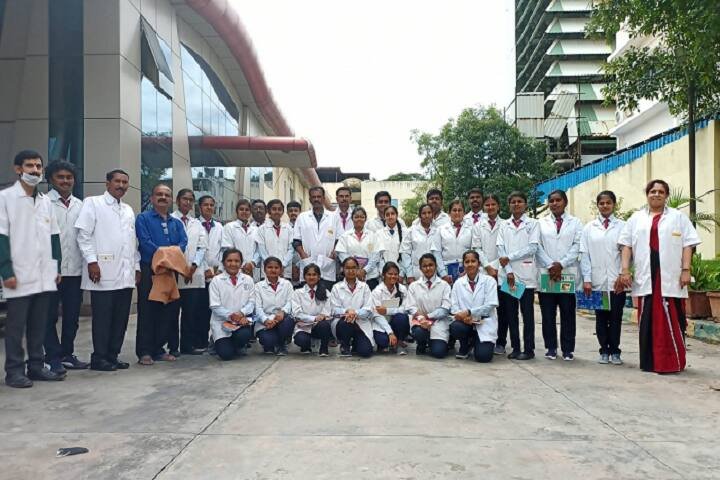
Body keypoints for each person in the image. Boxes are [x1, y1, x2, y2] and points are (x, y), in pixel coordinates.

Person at [618, 179, 700, 374]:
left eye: (661, 192)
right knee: (648, 320)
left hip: (671, 276)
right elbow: (626, 245)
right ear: (647, 194)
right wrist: (625, 270)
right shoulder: (636, 218)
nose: (656, 194)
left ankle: (672, 362)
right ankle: (650, 363)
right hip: (647, 276)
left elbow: (688, 244)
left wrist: (686, 270)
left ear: (666, 195)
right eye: (652, 191)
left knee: (673, 318)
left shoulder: (678, 217)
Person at [0, 150, 63, 387]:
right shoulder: (6, 198)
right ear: (18, 169)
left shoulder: (45, 201)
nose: (35, 170)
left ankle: (36, 366)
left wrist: (56, 267)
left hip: (44, 272)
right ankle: (14, 371)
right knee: (16, 326)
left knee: (40, 323)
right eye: (29, 166)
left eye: (38, 166)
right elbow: (1, 237)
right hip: (18, 273)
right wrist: (6, 271)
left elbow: (54, 236)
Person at [75, 169, 139, 372]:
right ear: (107, 183)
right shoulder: (93, 203)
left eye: (125, 182)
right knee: (103, 319)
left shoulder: (128, 209)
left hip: (125, 274)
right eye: (117, 181)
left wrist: (136, 267)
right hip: (102, 273)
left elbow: (132, 242)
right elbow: (83, 235)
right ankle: (99, 358)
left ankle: (112, 355)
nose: (121, 185)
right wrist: (92, 262)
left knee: (120, 319)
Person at [135, 183, 188, 365]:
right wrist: (166, 257)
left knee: (167, 312)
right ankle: (145, 351)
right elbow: (145, 242)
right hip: (151, 270)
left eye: (166, 195)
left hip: (170, 271)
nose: (163, 197)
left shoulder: (176, 223)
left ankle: (158, 349)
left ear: (171, 200)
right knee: (148, 311)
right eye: (159, 194)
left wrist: (169, 259)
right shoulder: (143, 219)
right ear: (152, 198)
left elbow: (183, 243)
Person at [44, 160, 88, 375]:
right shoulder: (43, 203)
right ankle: (52, 357)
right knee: (49, 316)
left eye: (69, 177)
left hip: (75, 271)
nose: (65, 181)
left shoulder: (81, 206)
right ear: (51, 179)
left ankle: (67, 354)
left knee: (72, 316)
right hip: (50, 271)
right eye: (60, 177)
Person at [580, 190, 627, 365]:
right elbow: (585, 255)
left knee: (616, 317)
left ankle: (615, 351)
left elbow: (627, 253)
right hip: (597, 280)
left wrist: (623, 273)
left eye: (608, 203)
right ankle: (604, 351)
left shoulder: (623, 226)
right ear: (597, 205)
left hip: (617, 281)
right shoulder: (589, 228)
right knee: (600, 318)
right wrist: (587, 279)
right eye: (602, 203)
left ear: (614, 204)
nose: (605, 206)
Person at [536, 189, 583, 361]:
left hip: (566, 274)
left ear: (565, 202)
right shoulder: (540, 223)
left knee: (567, 314)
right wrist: (551, 265)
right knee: (548, 315)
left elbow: (577, 246)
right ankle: (551, 348)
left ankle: (568, 349)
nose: (554, 203)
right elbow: (537, 246)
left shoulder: (576, 222)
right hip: (547, 274)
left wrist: (561, 264)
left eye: (558, 200)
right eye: (551, 201)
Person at [496, 191, 539, 360]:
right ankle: (515, 348)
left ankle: (528, 349)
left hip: (526, 276)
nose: (516, 204)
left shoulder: (533, 224)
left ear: (525, 204)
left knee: (527, 315)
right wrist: (509, 271)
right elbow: (500, 249)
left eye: (519, 201)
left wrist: (510, 257)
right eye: (513, 202)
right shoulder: (504, 225)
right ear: (509, 205)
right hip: (509, 277)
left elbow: (532, 248)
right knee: (511, 315)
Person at [171, 189, 208, 356]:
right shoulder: (171, 219)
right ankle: (173, 347)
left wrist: (193, 267)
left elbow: (202, 247)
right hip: (174, 274)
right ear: (177, 200)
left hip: (193, 275)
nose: (187, 202)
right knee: (172, 314)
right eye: (184, 199)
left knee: (190, 313)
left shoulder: (197, 224)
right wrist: (181, 268)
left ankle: (188, 345)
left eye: (190, 200)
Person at [449, 250, 499, 362]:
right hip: (465, 323)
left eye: (473, 261)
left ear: (479, 264)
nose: (470, 264)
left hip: (484, 324)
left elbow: (491, 305)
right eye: (467, 262)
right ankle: (465, 345)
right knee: (455, 327)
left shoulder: (489, 281)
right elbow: (454, 307)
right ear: (463, 265)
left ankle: (476, 341)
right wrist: (463, 317)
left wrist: (469, 312)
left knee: (483, 357)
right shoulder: (458, 283)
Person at [471, 194, 504, 351]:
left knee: (503, 309)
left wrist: (496, 268)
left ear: (498, 206)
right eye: (487, 205)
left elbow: (505, 248)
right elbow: (477, 248)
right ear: (484, 208)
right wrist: (489, 267)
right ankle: (479, 339)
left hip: (502, 271)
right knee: (483, 306)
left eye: (493, 204)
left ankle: (501, 341)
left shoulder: (505, 225)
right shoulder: (478, 226)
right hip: (484, 271)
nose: (490, 207)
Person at [209, 249, 255, 361]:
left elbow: (252, 302)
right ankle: (215, 341)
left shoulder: (248, 280)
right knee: (226, 355)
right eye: (229, 261)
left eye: (236, 261)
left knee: (244, 334)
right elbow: (215, 306)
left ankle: (239, 345)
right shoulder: (216, 281)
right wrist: (231, 316)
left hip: (241, 321)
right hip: (221, 322)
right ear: (223, 263)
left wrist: (241, 313)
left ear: (241, 263)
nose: (233, 264)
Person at [405, 253, 452, 358]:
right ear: (420, 268)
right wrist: (421, 318)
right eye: (424, 266)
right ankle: (421, 343)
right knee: (419, 332)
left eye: (431, 265)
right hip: (420, 322)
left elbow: (445, 308)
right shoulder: (413, 286)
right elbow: (410, 307)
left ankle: (433, 343)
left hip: (438, 322)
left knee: (439, 353)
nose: (428, 268)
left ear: (436, 266)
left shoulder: (444, 285)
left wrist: (428, 317)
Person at [329, 257, 375, 357]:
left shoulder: (364, 287)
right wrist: (347, 311)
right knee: (345, 323)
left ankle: (355, 344)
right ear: (343, 269)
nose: (351, 271)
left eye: (354, 268)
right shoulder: (336, 287)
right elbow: (333, 309)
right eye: (348, 268)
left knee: (366, 352)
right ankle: (345, 345)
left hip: (360, 323)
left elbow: (368, 309)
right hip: (343, 323)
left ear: (358, 269)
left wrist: (354, 313)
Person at [293, 186, 337, 289]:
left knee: (326, 296)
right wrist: (303, 255)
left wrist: (332, 255)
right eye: (313, 197)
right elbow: (296, 241)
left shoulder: (333, 217)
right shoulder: (302, 217)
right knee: (308, 296)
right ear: (310, 199)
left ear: (323, 198)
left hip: (327, 266)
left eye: (319, 196)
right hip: (308, 264)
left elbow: (339, 239)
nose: (316, 199)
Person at [197, 195, 223, 350]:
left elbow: (223, 249)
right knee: (200, 310)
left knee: (215, 309)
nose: (209, 207)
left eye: (211, 205)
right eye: (205, 205)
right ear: (199, 207)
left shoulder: (219, 227)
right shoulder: (195, 225)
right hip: (200, 273)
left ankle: (215, 339)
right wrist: (205, 268)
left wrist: (219, 269)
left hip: (217, 274)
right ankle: (200, 341)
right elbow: (196, 249)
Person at [254, 257, 294, 356]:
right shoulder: (258, 286)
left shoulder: (287, 284)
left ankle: (281, 344)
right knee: (268, 340)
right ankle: (270, 344)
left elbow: (291, 302)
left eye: (276, 267)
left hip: (282, 318)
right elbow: (257, 308)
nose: (273, 270)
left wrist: (283, 312)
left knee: (288, 321)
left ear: (281, 270)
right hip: (265, 321)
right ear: (264, 269)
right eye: (270, 267)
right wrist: (265, 320)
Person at [291, 263, 333, 356]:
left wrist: (321, 317)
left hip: (319, 325)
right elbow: (297, 313)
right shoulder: (297, 293)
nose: (311, 277)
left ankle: (324, 348)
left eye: (314, 274)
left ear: (319, 277)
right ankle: (306, 346)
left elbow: (327, 310)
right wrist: (314, 318)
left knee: (325, 325)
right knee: (301, 340)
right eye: (308, 274)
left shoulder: (326, 292)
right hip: (303, 326)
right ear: (304, 277)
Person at [335, 207, 381, 289]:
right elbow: (342, 255)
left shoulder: (373, 236)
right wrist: (355, 270)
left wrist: (365, 270)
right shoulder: (345, 236)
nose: (359, 219)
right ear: (352, 219)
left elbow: (376, 256)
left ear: (365, 219)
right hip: (351, 277)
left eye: (362, 217)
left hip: (370, 277)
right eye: (356, 217)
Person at [400, 204, 444, 283]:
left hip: (433, 273)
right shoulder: (411, 231)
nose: (427, 216)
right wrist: (409, 275)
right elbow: (405, 254)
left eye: (429, 213)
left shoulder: (437, 231)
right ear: (419, 216)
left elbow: (437, 254)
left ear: (432, 214)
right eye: (424, 213)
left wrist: (443, 273)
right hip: (416, 273)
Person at [371, 262, 407, 354]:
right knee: (383, 341)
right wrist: (390, 332)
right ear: (383, 275)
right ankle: (388, 342)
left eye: (395, 274)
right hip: (382, 324)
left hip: (396, 322)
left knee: (402, 317)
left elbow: (405, 309)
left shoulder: (402, 289)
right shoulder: (377, 292)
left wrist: (387, 310)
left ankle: (399, 342)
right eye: (390, 274)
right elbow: (377, 315)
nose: (393, 276)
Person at [222, 199, 261, 280]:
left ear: (250, 212)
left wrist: (252, 263)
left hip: (252, 269)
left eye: (247, 210)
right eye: (241, 209)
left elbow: (258, 249)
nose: (244, 212)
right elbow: (228, 249)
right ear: (237, 211)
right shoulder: (229, 227)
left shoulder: (256, 229)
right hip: (235, 268)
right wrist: (241, 265)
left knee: (252, 286)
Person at [256, 199, 294, 280]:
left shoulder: (288, 228)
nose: (277, 212)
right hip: (267, 271)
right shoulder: (262, 229)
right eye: (274, 209)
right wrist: (272, 266)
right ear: (269, 211)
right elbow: (262, 250)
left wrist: (282, 265)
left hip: (284, 271)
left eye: (279, 209)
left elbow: (291, 249)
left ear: (283, 212)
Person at [438, 199, 472, 285]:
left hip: (467, 269)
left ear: (464, 213)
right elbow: (437, 253)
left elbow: (474, 250)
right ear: (449, 213)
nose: (457, 213)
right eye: (454, 210)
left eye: (460, 210)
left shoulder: (471, 229)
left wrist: (467, 271)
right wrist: (443, 274)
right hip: (446, 270)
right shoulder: (441, 229)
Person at [375, 205, 404, 279]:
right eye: (387, 215)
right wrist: (383, 273)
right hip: (384, 274)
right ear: (384, 217)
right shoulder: (379, 233)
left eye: (392, 214)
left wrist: (401, 274)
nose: (390, 217)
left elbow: (405, 256)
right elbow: (379, 256)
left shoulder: (405, 232)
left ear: (397, 215)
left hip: (400, 274)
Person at [286, 200, 302, 285]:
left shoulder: (304, 228)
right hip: (288, 266)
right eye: (290, 211)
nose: (293, 213)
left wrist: (298, 265)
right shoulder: (284, 228)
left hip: (302, 264)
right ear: (287, 213)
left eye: (296, 211)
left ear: (300, 212)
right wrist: (292, 266)